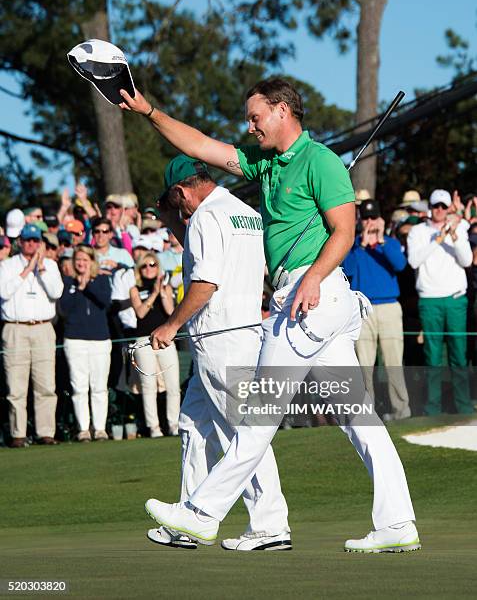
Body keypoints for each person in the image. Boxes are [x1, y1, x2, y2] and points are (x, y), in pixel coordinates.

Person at [119, 79, 419, 553]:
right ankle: (398, 522)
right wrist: (149, 111)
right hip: (310, 300)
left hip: (309, 298)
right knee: (358, 417)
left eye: (256, 116)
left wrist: (314, 278)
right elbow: (200, 145)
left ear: (282, 111)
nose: (249, 125)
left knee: (258, 414)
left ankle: (201, 513)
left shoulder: (321, 162)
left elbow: (344, 232)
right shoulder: (265, 162)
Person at [142, 154, 290, 550]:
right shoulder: (244, 211)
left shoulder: (206, 217)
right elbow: (204, 252)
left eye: (177, 204)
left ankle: (270, 524)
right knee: (193, 425)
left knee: (240, 434)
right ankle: (186, 520)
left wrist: (171, 324)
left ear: (181, 190)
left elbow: (206, 281)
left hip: (220, 337)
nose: (180, 212)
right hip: (242, 332)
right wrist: (171, 221)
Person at [342, 200, 411, 421]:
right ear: (361, 220)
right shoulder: (353, 246)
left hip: (389, 307)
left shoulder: (389, 243)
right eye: (366, 218)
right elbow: (348, 270)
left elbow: (400, 265)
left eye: (373, 218)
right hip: (363, 309)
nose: (370, 222)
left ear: (380, 219)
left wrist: (380, 240)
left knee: (393, 363)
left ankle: (401, 410)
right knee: (364, 365)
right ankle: (367, 413)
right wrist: (361, 244)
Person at [407, 189, 473, 415]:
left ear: (448, 209)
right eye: (436, 206)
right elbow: (414, 261)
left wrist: (454, 236)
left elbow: (466, 261)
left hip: (455, 300)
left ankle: (464, 408)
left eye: (444, 207)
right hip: (430, 301)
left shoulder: (460, 227)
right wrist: (439, 239)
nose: (440, 210)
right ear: (431, 207)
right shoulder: (417, 232)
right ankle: (432, 410)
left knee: (459, 357)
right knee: (432, 359)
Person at [0, 224, 64, 446]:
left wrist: (42, 269)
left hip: (43, 328)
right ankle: (18, 434)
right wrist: (27, 270)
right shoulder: (7, 266)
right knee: (16, 386)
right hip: (15, 327)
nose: (31, 244)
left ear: (41, 243)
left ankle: (45, 431)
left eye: (35, 241)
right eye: (27, 240)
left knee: (46, 384)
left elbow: (56, 292)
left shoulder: (51, 266)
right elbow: (4, 291)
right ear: (20, 242)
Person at [59, 245, 112, 441]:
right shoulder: (68, 282)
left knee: (99, 386)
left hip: (99, 340)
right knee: (79, 386)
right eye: (78, 260)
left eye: (85, 260)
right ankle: (83, 428)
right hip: (75, 340)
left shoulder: (102, 279)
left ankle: (99, 428)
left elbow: (105, 302)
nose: (81, 263)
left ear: (92, 261)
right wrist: (78, 288)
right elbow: (64, 308)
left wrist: (88, 285)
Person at [130, 251, 180, 437]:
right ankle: (154, 426)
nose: (149, 269)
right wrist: (153, 294)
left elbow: (170, 311)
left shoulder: (165, 288)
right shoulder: (135, 288)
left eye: (152, 265)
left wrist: (163, 293)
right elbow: (141, 313)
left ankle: (173, 423)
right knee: (148, 385)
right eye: (144, 265)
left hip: (165, 339)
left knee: (173, 384)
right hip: (144, 341)